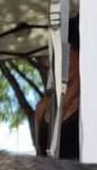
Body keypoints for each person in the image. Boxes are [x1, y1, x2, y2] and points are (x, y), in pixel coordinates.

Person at [34, 14, 81, 159]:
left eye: (66, 53)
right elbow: (40, 159)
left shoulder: (93, 105)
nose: (59, 62)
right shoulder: (43, 107)